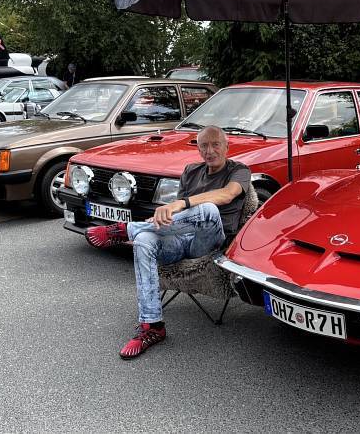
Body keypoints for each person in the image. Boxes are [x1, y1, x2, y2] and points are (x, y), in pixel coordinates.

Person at [84, 126, 251, 359]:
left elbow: (227, 195)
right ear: (198, 149)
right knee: (143, 240)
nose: (210, 150)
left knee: (209, 209)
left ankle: (125, 230)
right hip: (181, 238)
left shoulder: (239, 170)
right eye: (204, 145)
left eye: (215, 144)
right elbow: (178, 218)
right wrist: (163, 220)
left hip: (211, 240)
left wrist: (181, 203)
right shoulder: (191, 171)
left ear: (226, 147)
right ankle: (152, 326)